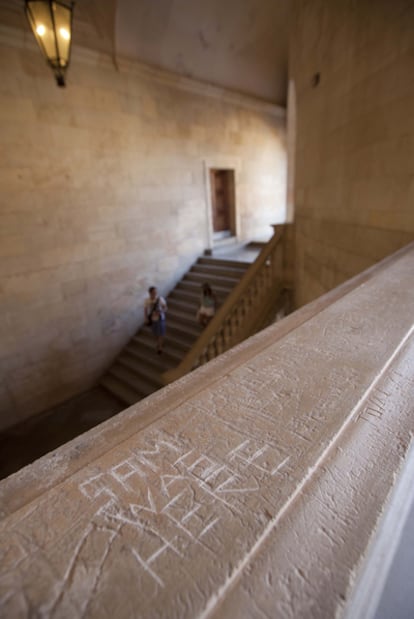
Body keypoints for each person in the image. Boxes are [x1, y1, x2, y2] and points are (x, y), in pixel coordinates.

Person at [144, 286, 167, 354]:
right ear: (150, 293)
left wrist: (160, 311)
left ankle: (160, 347)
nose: (155, 294)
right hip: (152, 320)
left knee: (160, 333)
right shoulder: (147, 300)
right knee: (155, 333)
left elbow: (165, 308)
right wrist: (145, 318)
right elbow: (145, 310)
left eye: (156, 292)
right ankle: (159, 343)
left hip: (160, 318)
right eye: (153, 292)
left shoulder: (160, 299)